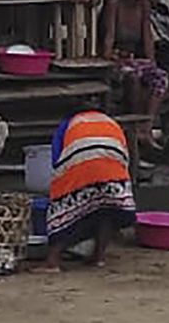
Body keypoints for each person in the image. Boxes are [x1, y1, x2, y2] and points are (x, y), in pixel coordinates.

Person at [40, 110, 139, 273]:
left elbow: (57, 160)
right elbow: (125, 155)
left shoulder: (67, 125)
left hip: (83, 164)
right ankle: (98, 258)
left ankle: (52, 261)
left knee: (61, 209)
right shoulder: (109, 122)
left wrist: (61, 186)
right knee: (107, 210)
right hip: (113, 167)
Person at [99, 0, 169, 151]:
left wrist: (151, 61)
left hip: (133, 59)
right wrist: (111, 56)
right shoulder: (114, 5)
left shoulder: (143, 6)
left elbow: (147, 36)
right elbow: (108, 38)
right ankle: (135, 126)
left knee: (160, 78)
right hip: (117, 59)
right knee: (133, 77)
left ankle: (146, 127)